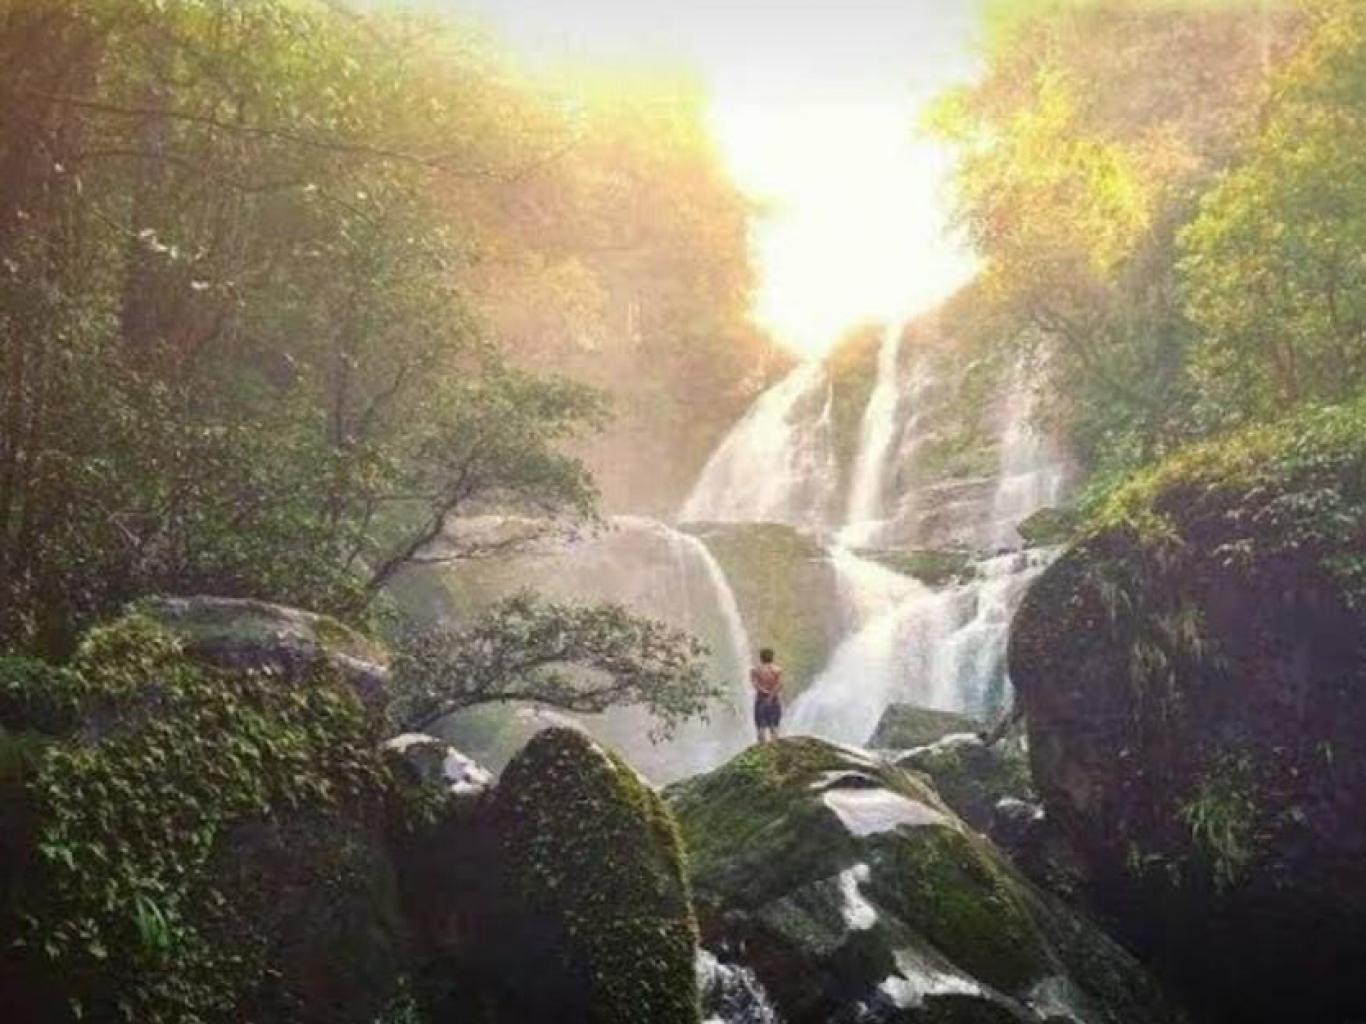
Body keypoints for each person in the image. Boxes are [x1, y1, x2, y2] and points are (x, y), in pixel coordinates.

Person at [750, 647, 783, 744]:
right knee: (774, 726)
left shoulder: (755, 670)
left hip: (761, 699)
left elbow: (755, 684)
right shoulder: (777, 670)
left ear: (761, 657)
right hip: (774, 700)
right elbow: (779, 685)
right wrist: (771, 696)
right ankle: (775, 747)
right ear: (772, 657)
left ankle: (762, 748)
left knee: (761, 726)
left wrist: (764, 691)